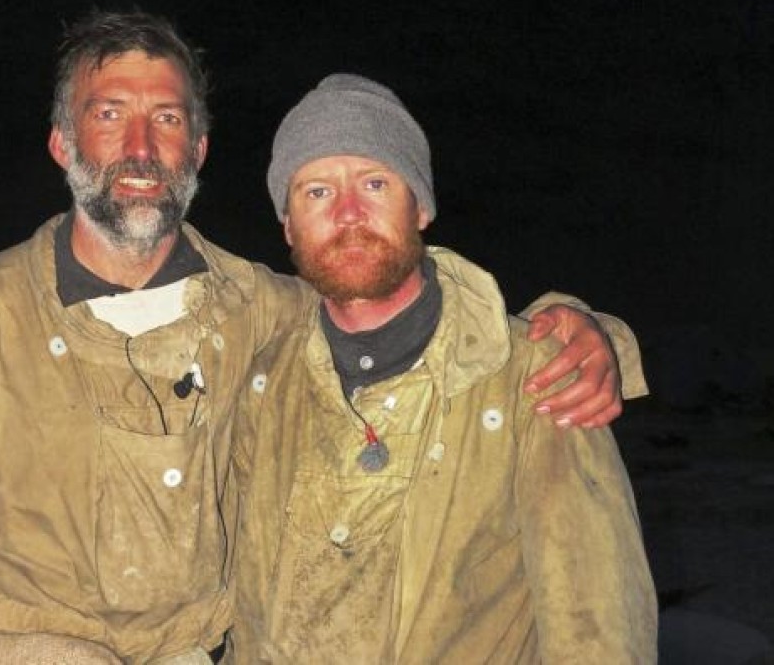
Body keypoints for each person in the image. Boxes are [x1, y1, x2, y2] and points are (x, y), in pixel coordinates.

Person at [0, 10, 645, 665]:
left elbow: (387, 306)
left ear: (200, 149)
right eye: (109, 115)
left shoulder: (262, 312)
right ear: (63, 144)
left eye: (168, 119)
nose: (140, 148)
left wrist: (590, 333)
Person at [226, 74, 657, 663]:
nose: (349, 213)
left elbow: (597, 626)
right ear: (288, 225)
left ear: (421, 205)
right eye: (317, 192)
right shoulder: (265, 384)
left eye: (375, 182)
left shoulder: (533, 377)